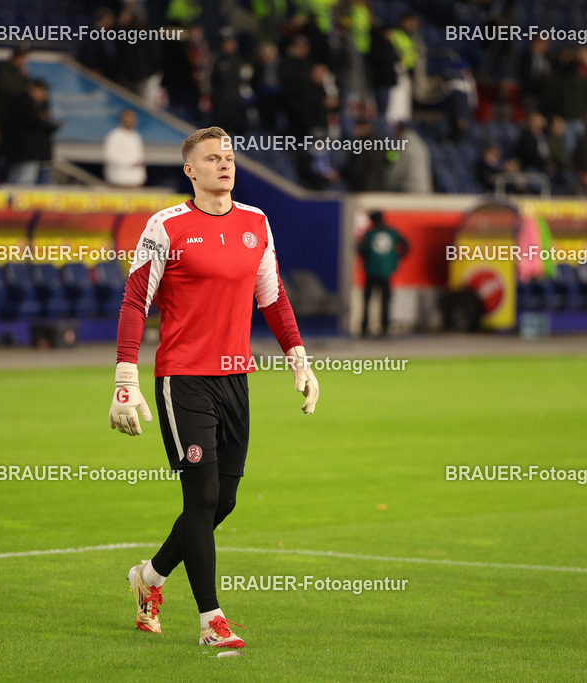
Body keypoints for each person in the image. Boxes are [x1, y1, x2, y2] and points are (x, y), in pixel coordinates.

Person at [110, 126, 320, 649]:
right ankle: (211, 621)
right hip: (183, 378)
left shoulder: (256, 222)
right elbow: (135, 301)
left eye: (228, 156)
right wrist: (124, 376)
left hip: (236, 379)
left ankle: (150, 579)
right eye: (212, 158)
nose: (224, 164)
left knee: (222, 501)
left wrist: (298, 356)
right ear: (190, 170)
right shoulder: (166, 226)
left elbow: (271, 297)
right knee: (201, 496)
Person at [357, 211, 408, 336]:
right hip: (386, 272)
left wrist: (368, 260)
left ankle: (364, 327)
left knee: (367, 301)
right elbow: (406, 245)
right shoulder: (391, 232)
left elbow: (361, 249)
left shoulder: (370, 234)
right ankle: (385, 327)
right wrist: (396, 258)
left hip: (371, 271)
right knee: (385, 301)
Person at [0, 46, 30, 183]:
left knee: (13, 152)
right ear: (17, 57)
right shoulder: (4, 69)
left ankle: (7, 178)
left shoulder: (15, 72)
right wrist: (23, 79)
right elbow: (12, 90)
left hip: (15, 119)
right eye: (23, 59)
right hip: (6, 116)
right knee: (5, 150)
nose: (24, 63)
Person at [103, 110, 146, 188]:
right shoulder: (114, 135)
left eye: (133, 119)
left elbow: (139, 155)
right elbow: (109, 156)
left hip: (136, 181)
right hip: (119, 180)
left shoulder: (136, 135)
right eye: (128, 119)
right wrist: (130, 163)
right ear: (122, 120)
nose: (131, 121)